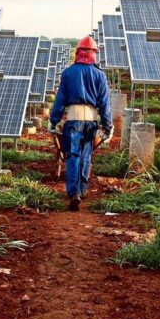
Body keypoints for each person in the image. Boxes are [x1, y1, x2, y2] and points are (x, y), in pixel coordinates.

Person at [49, 35, 113, 211]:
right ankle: (83, 190)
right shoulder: (100, 75)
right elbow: (105, 104)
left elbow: (60, 101)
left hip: (73, 121)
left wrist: (53, 122)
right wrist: (107, 126)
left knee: (72, 155)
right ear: (93, 54)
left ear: (78, 52)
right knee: (86, 155)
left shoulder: (68, 73)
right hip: (91, 122)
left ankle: (73, 192)